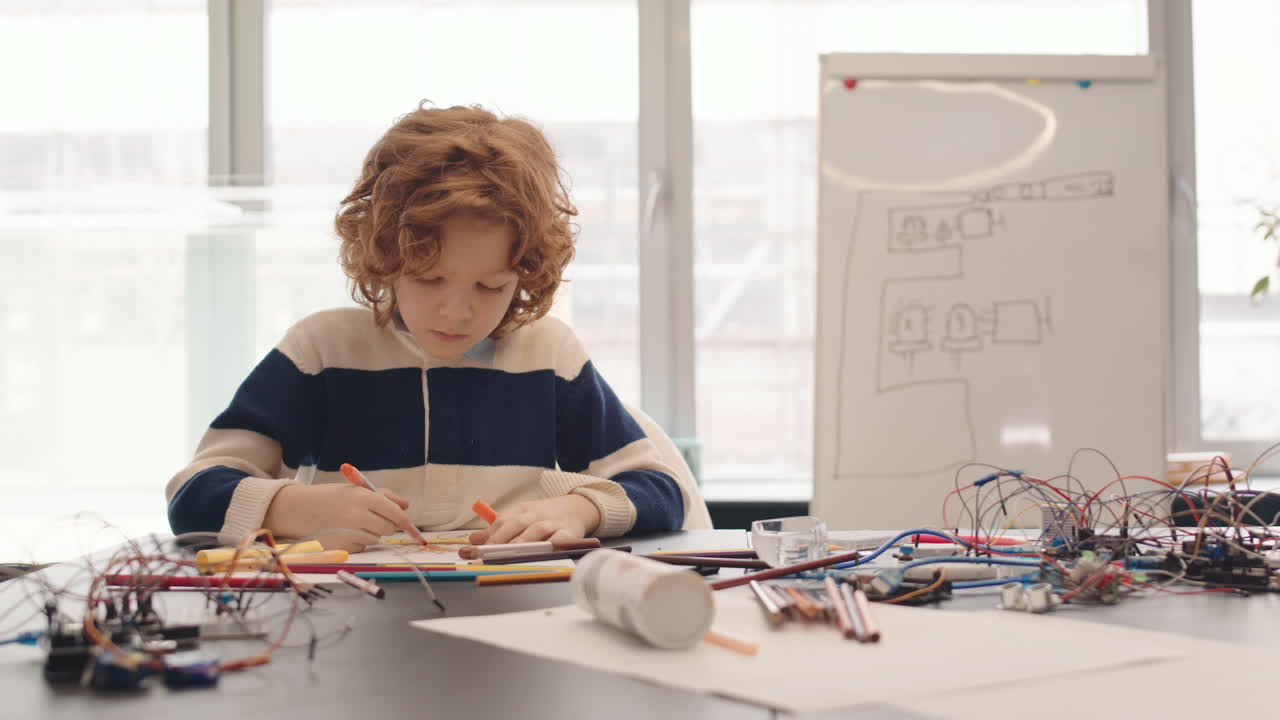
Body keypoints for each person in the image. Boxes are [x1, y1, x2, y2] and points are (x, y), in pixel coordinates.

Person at [165, 104, 685, 552]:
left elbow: (661, 491)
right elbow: (192, 496)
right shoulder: (321, 351)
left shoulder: (548, 354)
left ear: (526, 272)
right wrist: (293, 507)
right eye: (428, 279)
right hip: (350, 613)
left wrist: (580, 510)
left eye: (491, 286)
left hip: (509, 610)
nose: (456, 312)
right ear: (384, 258)